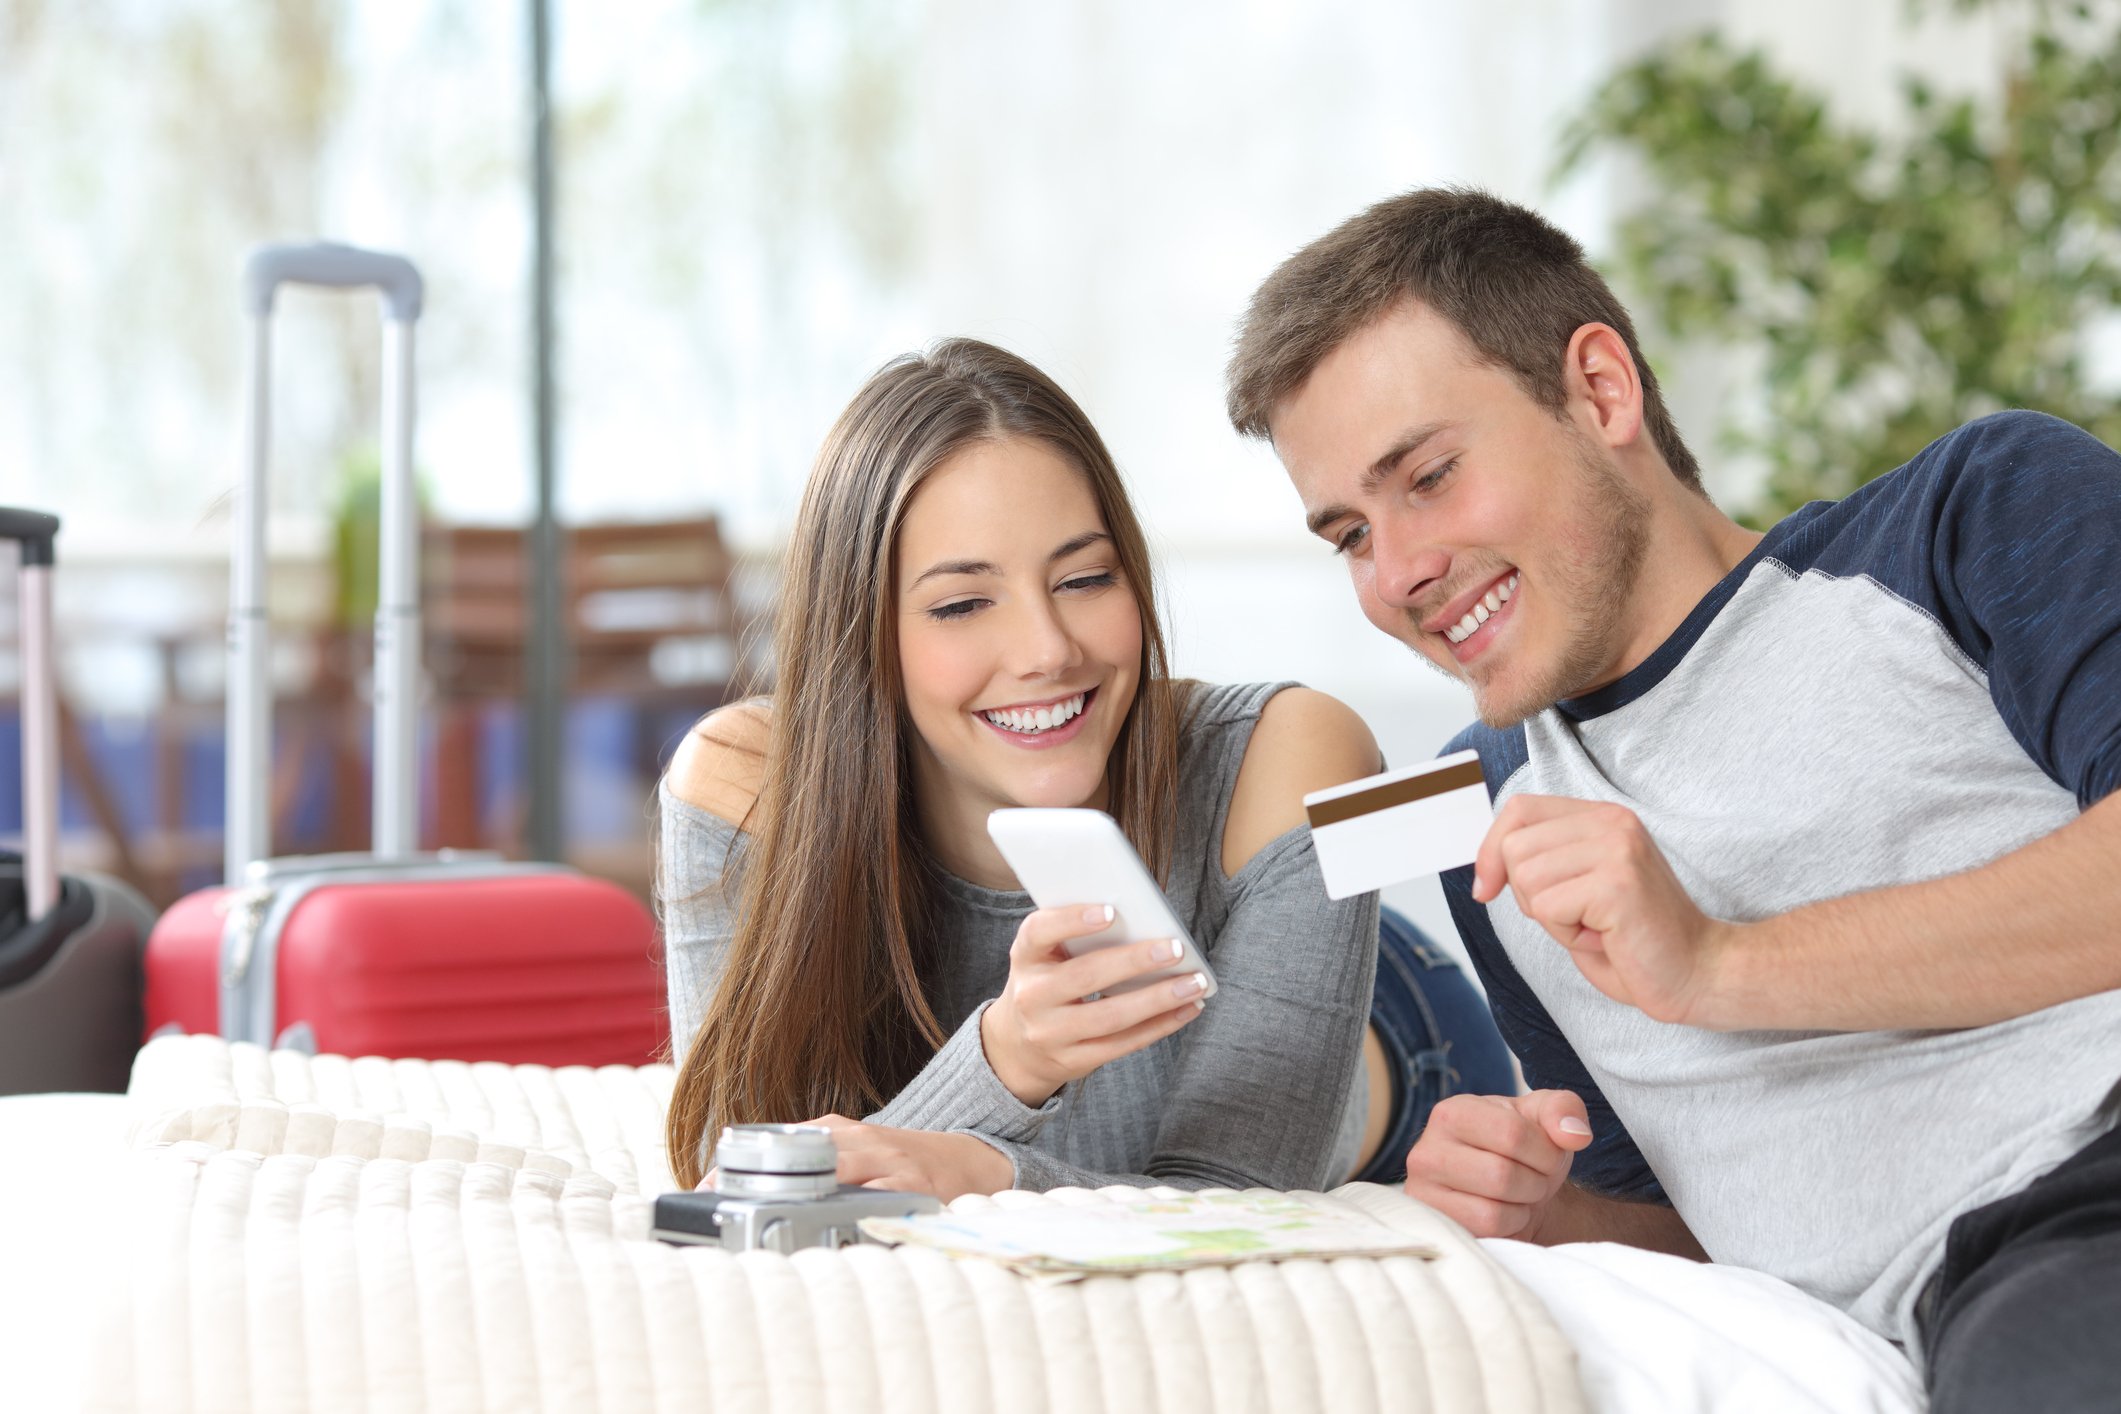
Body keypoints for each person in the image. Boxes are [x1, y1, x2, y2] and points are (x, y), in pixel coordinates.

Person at [1224, 187, 2121, 1413]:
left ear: (1601, 391)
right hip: (1972, 1299)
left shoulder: (1964, 520)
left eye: (1428, 475)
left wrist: (1719, 963)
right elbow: (1694, 1222)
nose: (1399, 574)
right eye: (1348, 534)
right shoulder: (1484, 820)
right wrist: (1553, 1209)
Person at [658, 337, 1514, 1202]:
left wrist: (978, 1164)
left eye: (1085, 578)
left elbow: (1236, 1190)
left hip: (1383, 1029)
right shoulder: (742, 782)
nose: (1046, 650)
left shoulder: (1288, 749)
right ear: (862, 636)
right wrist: (1007, 1059)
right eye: (960, 604)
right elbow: (738, 1176)